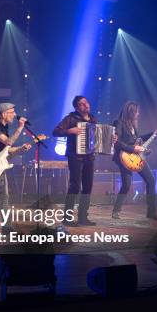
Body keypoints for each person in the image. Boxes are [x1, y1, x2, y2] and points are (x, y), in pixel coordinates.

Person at [0, 102, 31, 234]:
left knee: (4, 197)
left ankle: (6, 226)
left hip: (0, 165)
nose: (14, 115)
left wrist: (21, 149)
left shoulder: (5, 127)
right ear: (4, 114)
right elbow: (8, 142)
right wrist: (20, 127)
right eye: (12, 112)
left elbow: (7, 149)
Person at [112, 101, 157, 220]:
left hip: (136, 158)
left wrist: (153, 133)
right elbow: (117, 143)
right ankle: (116, 210)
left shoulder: (134, 125)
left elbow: (138, 139)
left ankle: (151, 212)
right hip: (124, 157)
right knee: (126, 185)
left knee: (150, 180)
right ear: (131, 112)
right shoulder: (118, 123)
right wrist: (133, 148)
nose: (138, 114)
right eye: (137, 112)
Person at [52, 95, 98, 227]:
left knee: (88, 186)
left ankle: (83, 217)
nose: (86, 105)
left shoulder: (93, 119)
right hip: (75, 156)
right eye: (83, 104)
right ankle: (67, 217)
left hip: (89, 156)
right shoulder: (71, 118)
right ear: (77, 107)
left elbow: (98, 137)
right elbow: (55, 131)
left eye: (87, 102)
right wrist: (69, 131)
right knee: (75, 186)